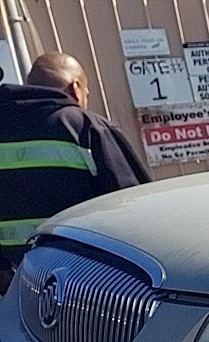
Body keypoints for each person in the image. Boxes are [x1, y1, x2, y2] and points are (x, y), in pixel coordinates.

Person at [0, 52, 151, 290]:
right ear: (75, 88)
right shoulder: (85, 127)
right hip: (94, 283)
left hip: (22, 285)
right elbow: (136, 205)